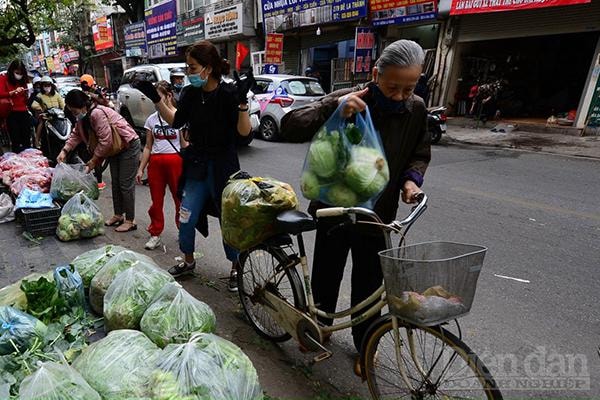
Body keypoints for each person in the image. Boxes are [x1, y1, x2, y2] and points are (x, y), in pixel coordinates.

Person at [282, 40, 431, 359]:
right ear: (376, 74)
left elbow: (419, 152)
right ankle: (317, 330)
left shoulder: (415, 108)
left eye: (409, 88)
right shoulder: (349, 99)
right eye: (393, 87)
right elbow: (289, 126)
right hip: (335, 210)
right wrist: (334, 109)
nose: (400, 97)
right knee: (326, 276)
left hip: (377, 217)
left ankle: (366, 343)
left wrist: (410, 181)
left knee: (369, 282)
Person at [133, 40, 254, 290]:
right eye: (188, 67)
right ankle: (188, 262)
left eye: (192, 67)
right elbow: (176, 121)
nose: (188, 72)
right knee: (186, 215)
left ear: (208, 68)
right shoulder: (190, 94)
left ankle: (236, 267)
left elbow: (244, 133)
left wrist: (242, 103)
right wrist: (156, 98)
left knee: (227, 219)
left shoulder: (228, 93)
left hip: (224, 168)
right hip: (197, 165)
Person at [57, 90, 141, 233]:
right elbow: (76, 135)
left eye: (74, 110)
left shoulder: (96, 114)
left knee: (125, 185)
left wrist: (94, 160)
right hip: (115, 149)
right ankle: (118, 215)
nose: (74, 113)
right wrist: (64, 151)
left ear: (82, 105)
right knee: (116, 183)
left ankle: (130, 220)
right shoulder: (81, 119)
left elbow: (106, 140)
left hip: (128, 145)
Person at [136, 81, 187, 250]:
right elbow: (148, 146)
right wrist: (141, 168)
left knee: (179, 200)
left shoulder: (179, 116)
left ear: (169, 96)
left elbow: (184, 144)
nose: (155, 100)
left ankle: (183, 231)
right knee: (156, 202)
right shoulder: (151, 120)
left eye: (158, 96)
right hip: (156, 164)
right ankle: (155, 233)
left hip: (176, 162)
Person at [80, 73, 109, 188]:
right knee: (91, 149)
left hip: (96, 125)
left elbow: (105, 102)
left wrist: (92, 94)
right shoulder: (81, 95)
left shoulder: (96, 93)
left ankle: (99, 180)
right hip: (87, 126)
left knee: (97, 150)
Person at [0, 60, 31, 153]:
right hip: (11, 112)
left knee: (26, 138)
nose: (19, 75)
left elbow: (25, 99)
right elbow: (1, 93)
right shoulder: (3, 78)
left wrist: (26, 93)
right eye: (17, 72)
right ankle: (17, 162)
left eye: (21, 73)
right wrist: (13, 92)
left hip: (24, 111)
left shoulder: (23, 80)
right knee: (15, 139)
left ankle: (29, 160)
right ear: (12, 71)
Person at [31, 76, 65, 148]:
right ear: (42, 86)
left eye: (48, 85)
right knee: (41, 123)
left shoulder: (56, 94)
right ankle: (37, 141)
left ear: (51, 86)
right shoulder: (39, 95)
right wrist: (42, 110)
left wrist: (62, 110)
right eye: (45, 85)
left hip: (57, 115)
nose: (47, 87)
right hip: (46, 116)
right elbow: (33, 105)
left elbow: (62, 104)